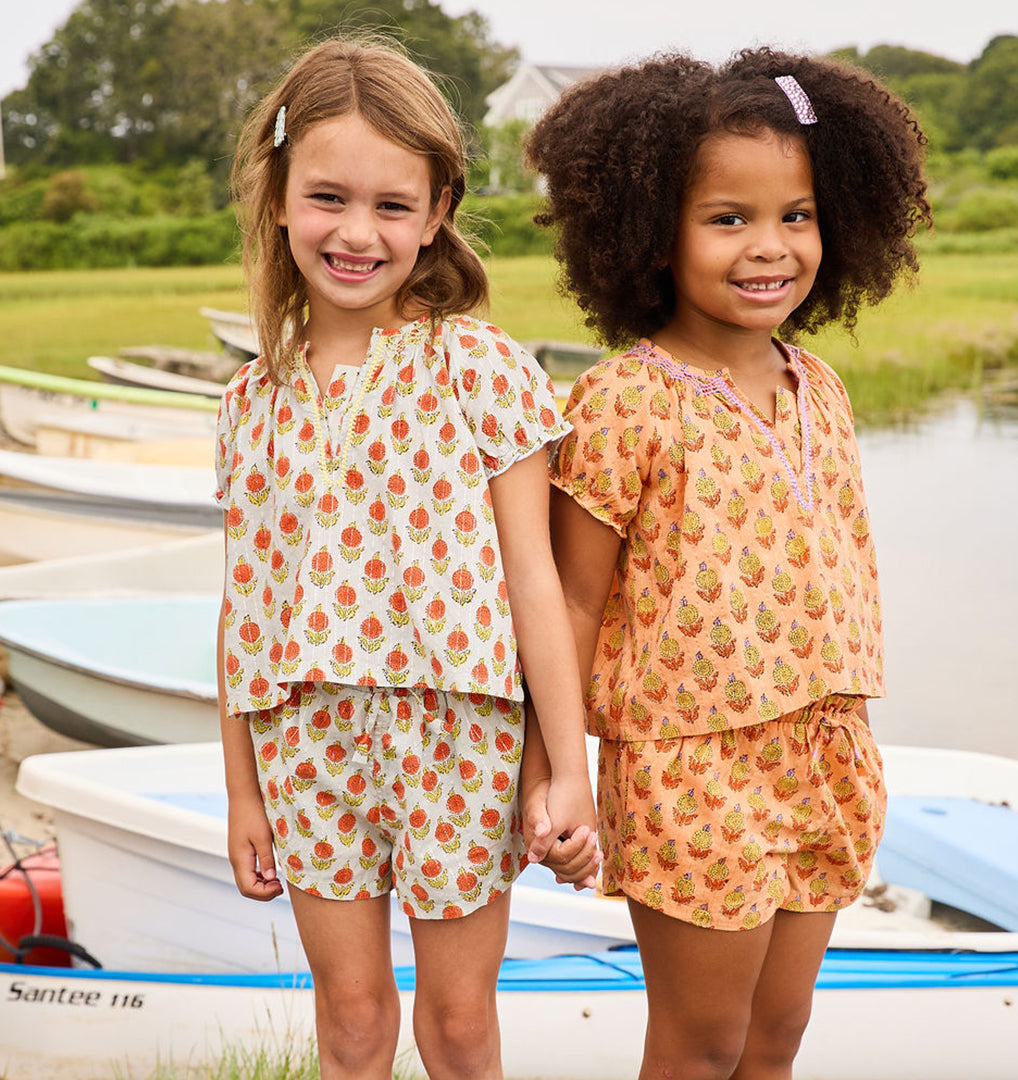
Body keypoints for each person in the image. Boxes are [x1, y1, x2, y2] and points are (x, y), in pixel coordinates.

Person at [522, 47, 932, 1079]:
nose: (770, 247)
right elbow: (571, 603)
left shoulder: (819, 385)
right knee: (701, 1047)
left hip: (825, 752)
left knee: (774, 1040)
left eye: (797, 215)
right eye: (727, 218)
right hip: (692, 768)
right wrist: (555, 772)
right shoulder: (625, 401)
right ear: (653, 234)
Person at [215, 37, 596, 1080]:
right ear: (280, 200)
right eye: (327, 198)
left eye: (391, 205)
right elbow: (243, 605)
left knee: (460, 1027)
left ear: (435, 215)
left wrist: (568, 770)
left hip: (458, 738)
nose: (356, 232)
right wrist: (243, 792)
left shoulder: (481, 368)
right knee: (349, 1023)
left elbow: (537, 583)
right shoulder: (250, 400)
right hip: (306, 741)